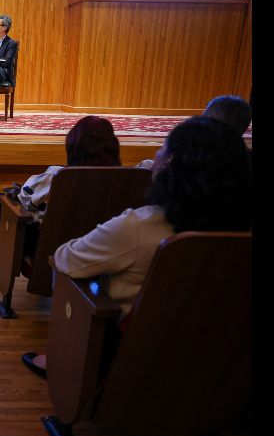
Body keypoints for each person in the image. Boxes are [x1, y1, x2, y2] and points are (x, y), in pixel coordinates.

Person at [21, 115, 252, 378]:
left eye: (164, 146)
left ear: (172, 164)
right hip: (221, 363)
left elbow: (64, 259)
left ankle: (61, 361)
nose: (157, 152)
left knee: (78, 281)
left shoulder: (139, 226)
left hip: (133, 359)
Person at [0, 116, 121, 285]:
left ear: (72, 146)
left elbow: (25, 200)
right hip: (103, 253)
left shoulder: (59, 176)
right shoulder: (126, 180)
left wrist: (21, 192)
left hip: (52, 252)